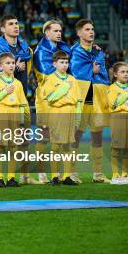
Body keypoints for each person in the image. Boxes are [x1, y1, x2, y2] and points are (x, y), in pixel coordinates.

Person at [0, 14, 35, 185]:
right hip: (5, 105)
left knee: (21, 141)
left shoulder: (23, 46)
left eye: (17, 23)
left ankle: (21, 175)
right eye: (11, 24)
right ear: (3, 29)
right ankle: (0, 177)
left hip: (20, 98)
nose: (16, 26)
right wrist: (16, 68)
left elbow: (30, 55)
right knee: (2, 145)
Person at [70, 19, 110, 183]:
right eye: (87, 29)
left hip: (97, 98)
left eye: (92, 29)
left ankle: (98, 173)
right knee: (76, 136)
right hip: (82, 99)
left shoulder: (98, 52)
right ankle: (72, 172)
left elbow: (103, 73)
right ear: (79, 33)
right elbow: (74, 72)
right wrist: (91, 71)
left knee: (97, 135)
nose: (91, 32)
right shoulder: (74, 51)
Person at [33, 20, 71, 184]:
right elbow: (50, 75)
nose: (59, 33)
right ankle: (42, 174)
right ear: (46, 33)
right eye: (55, 31)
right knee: (44, 137)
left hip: (61, 100)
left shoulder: (60, 47)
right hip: (46, 100)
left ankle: (61, 174)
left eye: (60, 31)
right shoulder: (41, 52)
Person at [0, 52, 28, 188]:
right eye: (8, 63)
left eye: (12, 63)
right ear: (0, 66)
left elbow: (22, 103)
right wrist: (4, 92)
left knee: (13, 147)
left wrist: (21, 122)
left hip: (15, 115)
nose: (11, 65)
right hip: (2, 115)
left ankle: (11, 177)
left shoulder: (18, 83)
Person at [40, 51, 81, 186]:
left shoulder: (72, 79)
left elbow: (77, 99)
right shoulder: (50, 79)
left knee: (68, 145)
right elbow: (50, 99)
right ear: (54, 63)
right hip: (56, 114)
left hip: (70, 114)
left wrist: (77, 117)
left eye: (66, 62)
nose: (64, 65)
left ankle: (67, 176)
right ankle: (55, 176)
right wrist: (64, 91)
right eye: (61, 62)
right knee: (56, 146)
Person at [107, 62, 128, 185]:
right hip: (118, 118)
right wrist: (125, 102)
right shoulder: (111, 88)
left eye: (127, 72)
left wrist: (126, 107)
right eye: (122, 72)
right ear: (115, 74)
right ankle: (115, 175)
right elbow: (113, 105)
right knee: (116, 146)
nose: (126, 74)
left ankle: (125, 175)